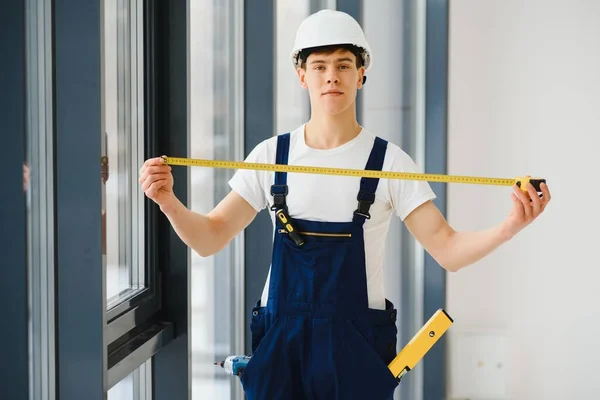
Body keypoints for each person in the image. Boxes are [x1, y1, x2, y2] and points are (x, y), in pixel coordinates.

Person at [138, 9, 551, 400]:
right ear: (302, 75)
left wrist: (510, 225)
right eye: (319, 66)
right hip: (280, 345)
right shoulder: (271, 156)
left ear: (361, 74)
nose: (331, 76)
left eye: (343, 65)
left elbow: (448, 250)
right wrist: (168, 201)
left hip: (357, 349)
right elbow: (210, 238)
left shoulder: (390, 163)